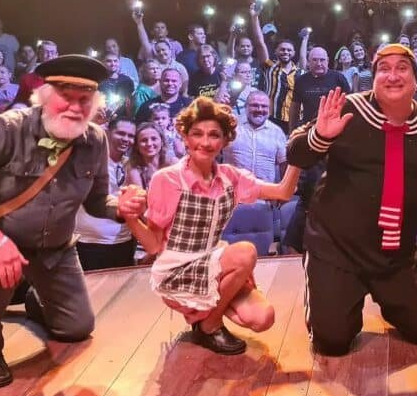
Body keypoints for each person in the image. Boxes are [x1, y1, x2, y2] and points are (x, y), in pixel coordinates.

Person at [0, 55, 146, 388]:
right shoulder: (5, 129)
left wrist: (122, 206)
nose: (74, 107)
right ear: (44, 96)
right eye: (65, 97)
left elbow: (98, 202)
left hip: (54, 249)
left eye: (83, 100)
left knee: (76, 329)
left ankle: (35, 301)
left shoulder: (95, 140)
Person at [286, 44, 417, 355]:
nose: (393, 75)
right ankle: (333, 292)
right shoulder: (347, 110)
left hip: (396, 253)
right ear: (373, 78)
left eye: (402, 68)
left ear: (416, 81)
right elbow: (295, 152)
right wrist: (321, 136)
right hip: (336, 246)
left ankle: (384, 294)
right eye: (384, 68)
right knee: (332, 342)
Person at [119, 97, 300, 355]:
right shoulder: (166, 179)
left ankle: (204, 317)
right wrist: (130, 216)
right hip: (178, 269)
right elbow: (152, 244)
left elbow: (283, 192)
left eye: (214, 135)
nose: (205, 142)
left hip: (214, 262)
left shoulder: (230, 177)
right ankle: (209, 325)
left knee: (263, 318)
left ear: (225, 141)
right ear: (185, 137)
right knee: (245, 251)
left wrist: (299, 157)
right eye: (197, 134)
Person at [74, 118, 138, 271]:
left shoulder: (131, 165)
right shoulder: (90, 160)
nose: (126, 139)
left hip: (124, 242)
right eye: (121, 133)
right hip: (89, 243)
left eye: (130, 136)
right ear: (108, 132)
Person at [251, 4, 306, 133]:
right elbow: (259, 43)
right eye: (282, 49)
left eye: (289, 50)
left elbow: (303, 57)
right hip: (273, 119)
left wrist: (305, 39)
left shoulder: (299, 71)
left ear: (293, 53)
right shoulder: (269, 67)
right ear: (276, 52)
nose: (285, 52)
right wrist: (254, 17)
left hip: (297, 119)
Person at [289, 47, 351, 131]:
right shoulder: (301, 80)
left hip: (334, 128)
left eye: (322, 60)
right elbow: (295, 107)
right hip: (309, 128)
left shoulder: (338, 78)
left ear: (327, 61)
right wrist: (292, 130)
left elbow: (349, 104)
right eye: (314, 60)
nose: (318, 64)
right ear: (308, 62)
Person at [126, 122, 170, 191]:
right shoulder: (133, 167)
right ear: (137, 145)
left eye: (154, 139)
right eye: (144, 140)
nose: (149, 144)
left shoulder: (172, 163)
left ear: (162, 141)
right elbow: (139, 196)